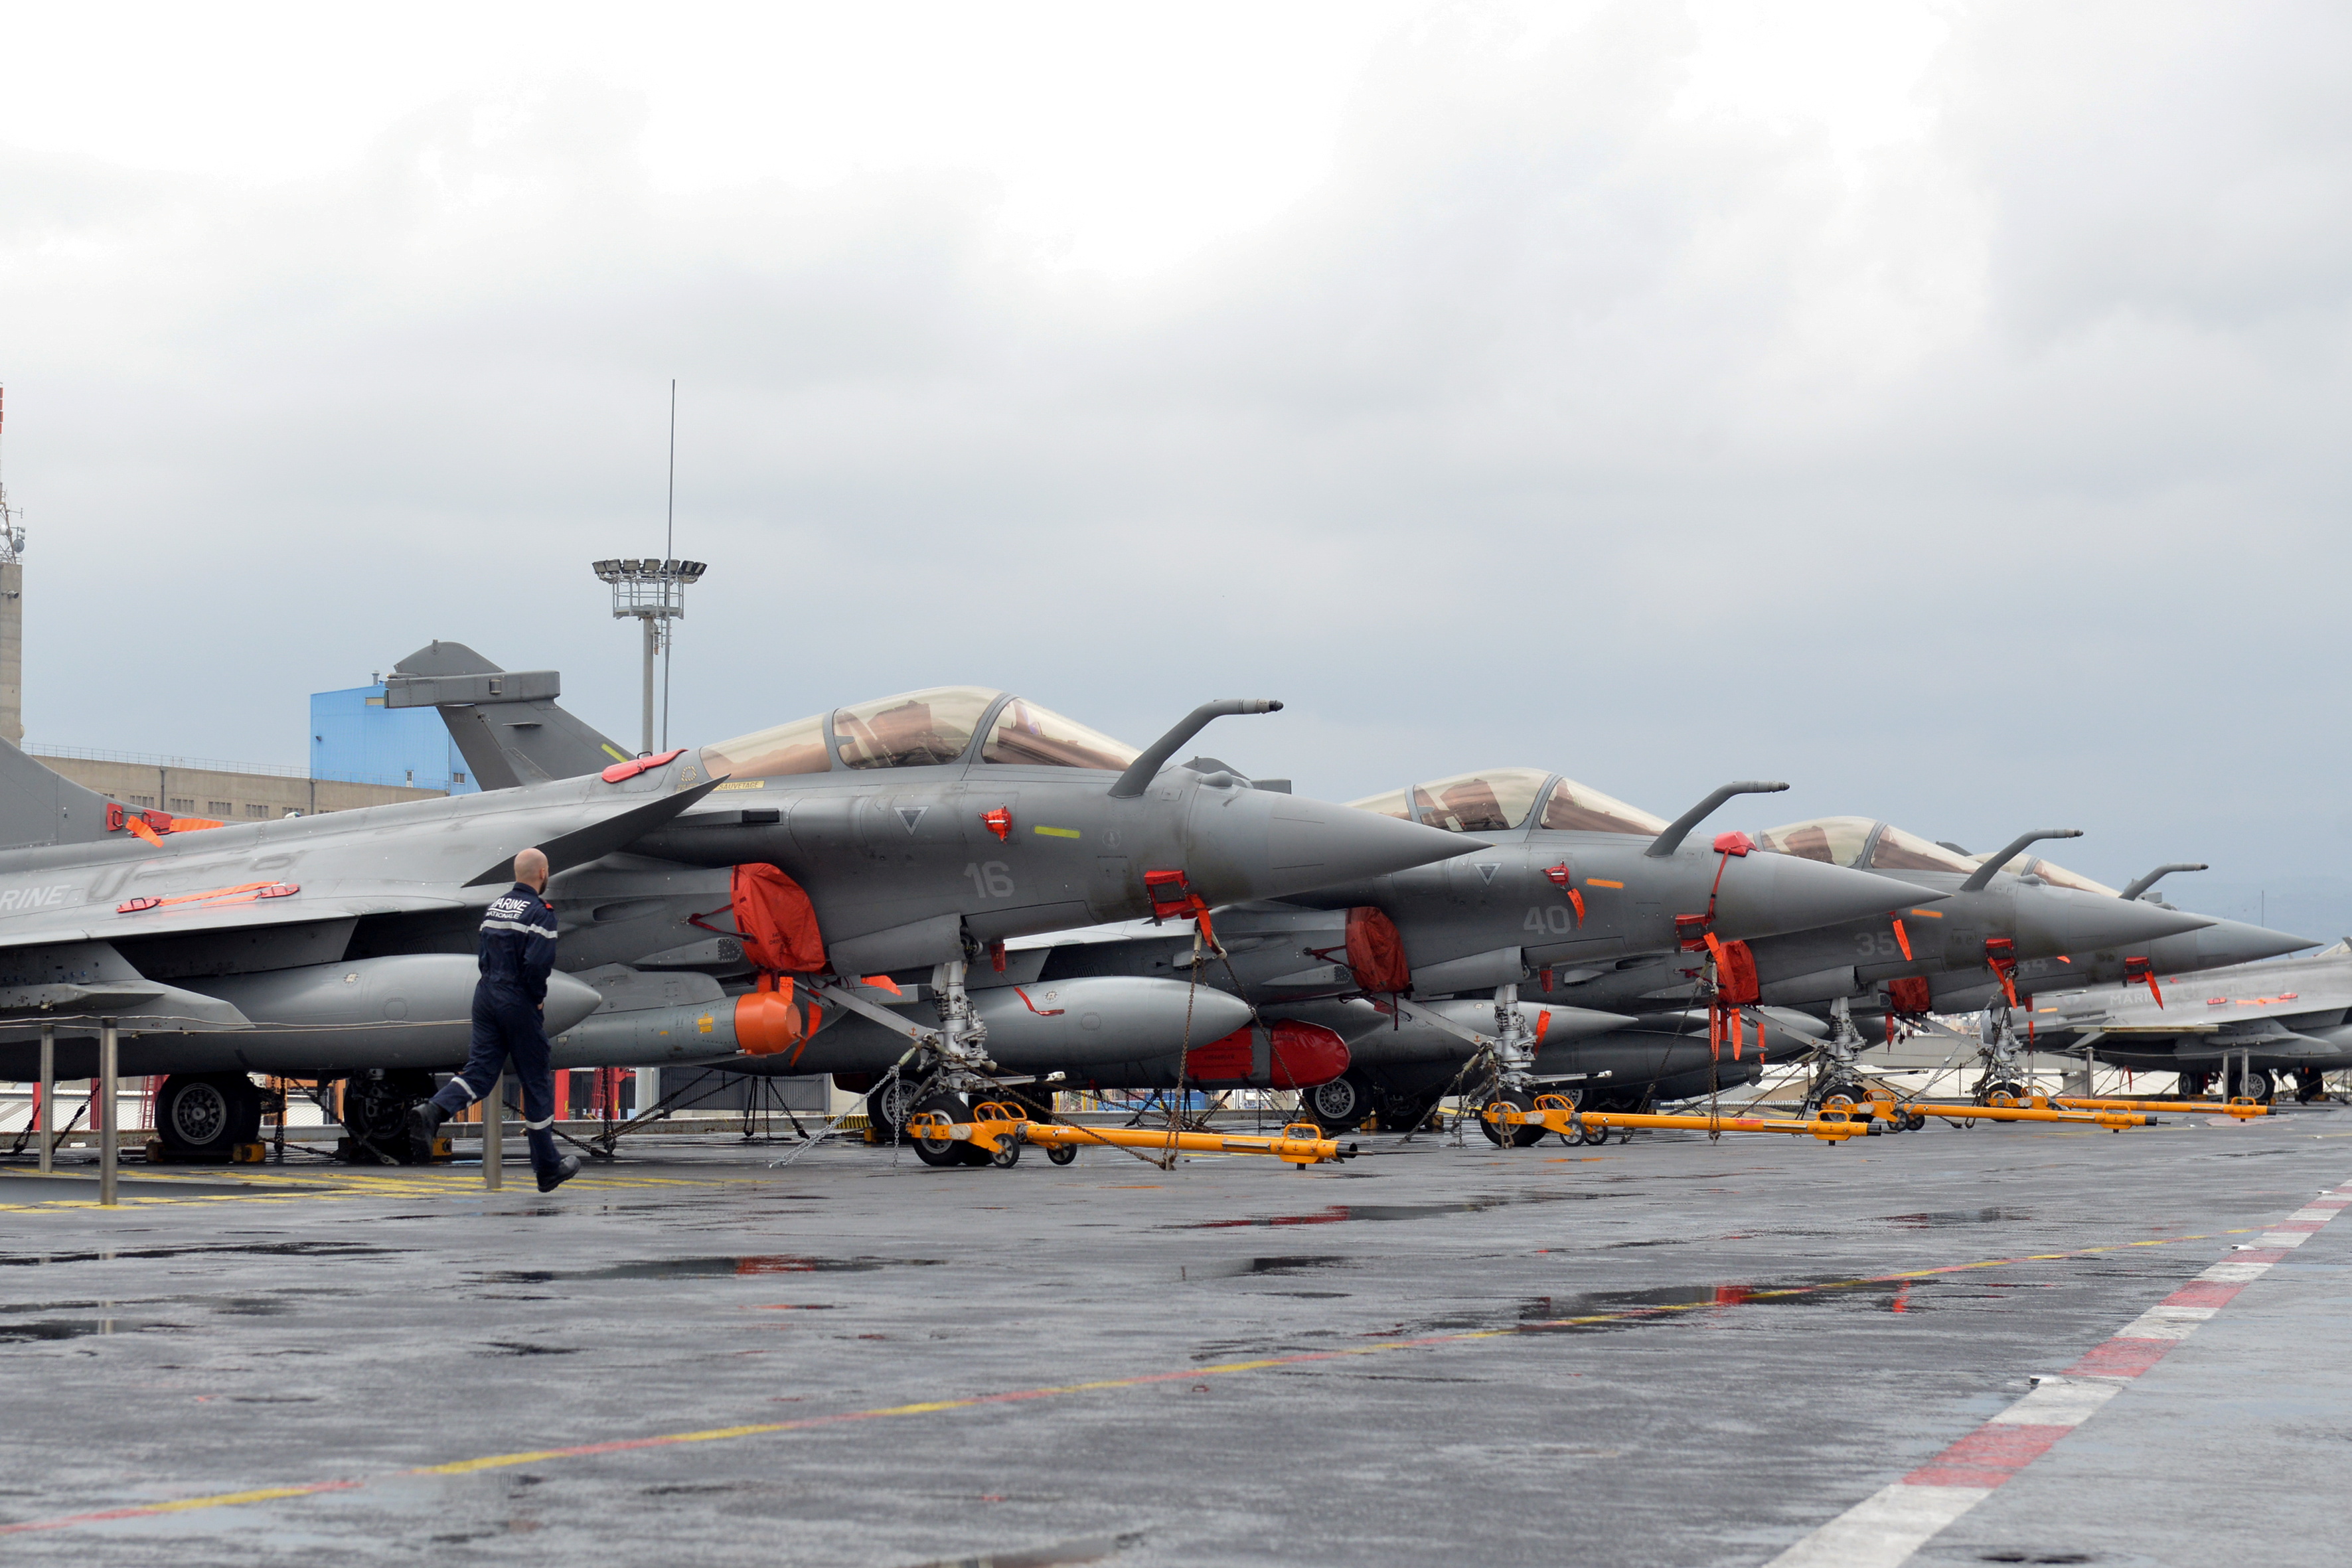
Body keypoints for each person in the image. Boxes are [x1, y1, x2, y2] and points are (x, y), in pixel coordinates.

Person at [410, 848, 583, 1192]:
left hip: (486, 994)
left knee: (481, 1071)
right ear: (543, 873)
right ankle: (547, 1166)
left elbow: (485, 954)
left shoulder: (496, 907)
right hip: (516, 999)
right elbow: (537, 964)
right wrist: (534, 999)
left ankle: (433, 1111)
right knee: (536, 1081)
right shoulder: (540, 913)